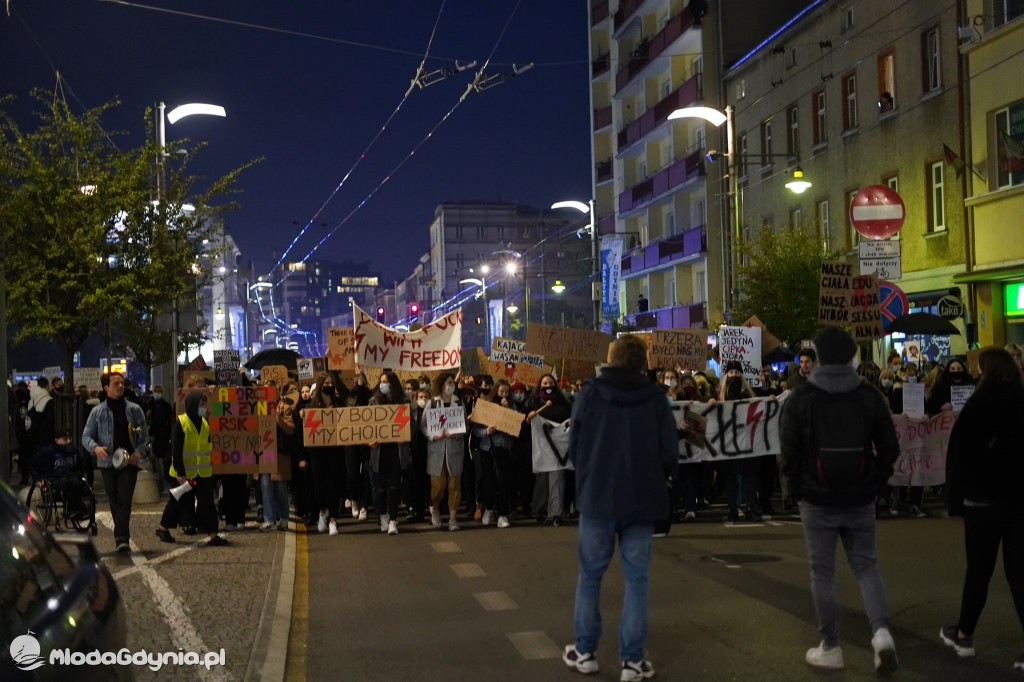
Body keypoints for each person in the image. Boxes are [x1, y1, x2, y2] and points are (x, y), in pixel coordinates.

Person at [780, 326, 899, 674]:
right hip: (860, 495)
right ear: (851, 357)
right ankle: (880, 635)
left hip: (816, 498)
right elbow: (890, 447)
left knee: (823, 572)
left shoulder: (801, 397)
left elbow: (789, 451)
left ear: (816, 358)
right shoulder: (869, 394)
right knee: (866, 566)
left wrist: (797, 488)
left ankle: (831, 646)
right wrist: (874, 480)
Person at [562, 335, 676, 681]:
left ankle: (585, 650)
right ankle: (632, 660)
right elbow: (669, 452)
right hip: (641, 500)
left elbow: (575, 444)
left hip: (597, 497)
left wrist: (586, 477)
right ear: (643, 363)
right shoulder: (656, 399)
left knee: (590, 577)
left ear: (610, 359)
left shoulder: (590, 393)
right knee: (637, 580)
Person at [940, 347, 1024, 669]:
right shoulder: (1021, 401)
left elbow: (958, 456)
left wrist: (955, 499)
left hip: (982, 500)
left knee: (979, 570)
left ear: (986, 371)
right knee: (1019, 572)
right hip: (1019, 501)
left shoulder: (978, 405)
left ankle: (963, 635)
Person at [82, 372, 151, 553]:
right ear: (106, 388)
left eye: (122, 383)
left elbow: (144, 437)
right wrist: (95, 448)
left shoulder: (134, 410)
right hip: (107, 464)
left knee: (124, 499)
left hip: (129, 462)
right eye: (115, 384)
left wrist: (138, 451)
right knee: (113, 500)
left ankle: (122, 537)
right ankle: (120, 535)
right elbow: (86, 436)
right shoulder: (97, 412)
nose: (120, 386)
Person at [155, 389, 228, 546]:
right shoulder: (181, 423)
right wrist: (180, 472)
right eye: (201, 404)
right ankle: (163, 528)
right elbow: (176, 450)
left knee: (207, 503)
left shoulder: (205, 423)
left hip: (202, 473)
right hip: (185, 474)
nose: (204, 407)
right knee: (177, 502)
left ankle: (213, 535)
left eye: (205, 404)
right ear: (193, 405)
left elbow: (207, 447)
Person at [470, 379, 517, 528]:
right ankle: (489, 509)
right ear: (495, 391)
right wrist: (486, 431)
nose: (504, 394)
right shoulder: (486, 406)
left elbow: (516, 427)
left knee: (503, 481)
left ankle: (502, 514)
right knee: (488, 482)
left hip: (503, 448)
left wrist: (508, 410)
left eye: (506, 392)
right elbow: (476, 429)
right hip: (488, 449)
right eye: (501, 391)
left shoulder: (511, 405)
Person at [528, 374, 573, 525]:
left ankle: (556, 513)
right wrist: (529, 417)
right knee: (542, 480)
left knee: (557, 479)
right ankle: (541, 509)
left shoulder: (565, 403)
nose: (548, 385)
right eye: (545, 383)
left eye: (550, 382)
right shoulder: (533, 402)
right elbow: (524, 419)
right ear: (540, 385)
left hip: (558, 447)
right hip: (542, 446)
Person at [424, 373, 467, 531]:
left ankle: (452, 518)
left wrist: (455, 434)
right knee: (438, 486)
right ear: (442, 384)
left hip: (455, 451)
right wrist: (433, 436)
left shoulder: (459, 403)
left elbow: (465, 426)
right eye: (449, 382)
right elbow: (424, 425)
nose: (452, 385)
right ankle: (435, 508)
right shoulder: (433, 403)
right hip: (437, 452)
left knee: (454, 485)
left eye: (453, 383)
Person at [368, 372, 409, 535]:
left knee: (394, 486)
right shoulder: (374, 402)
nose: (383, 384)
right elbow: (367, 425)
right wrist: (369, 441)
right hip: (379, 451)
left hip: (396, 451)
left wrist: (404, 437)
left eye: (386, 381)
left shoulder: (403, 402)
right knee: (379, 487)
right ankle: (382, 514)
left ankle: (393, 518)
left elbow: (411, 425)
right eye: (381, 382)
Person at [307, 373, 347, 535]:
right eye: (327, 382)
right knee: (319, 484)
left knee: (333, 483)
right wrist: (304, 415)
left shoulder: (339, 403)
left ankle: (333, 520)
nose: (329, 385)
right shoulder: (313, 405)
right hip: (318, 451)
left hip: (335, 450)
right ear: (321, 385)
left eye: (331, 382)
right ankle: (322, 512)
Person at [148, 384, 174, 485]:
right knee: (154, 456)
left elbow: (170, 420)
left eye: (159, 392)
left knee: (162, 456)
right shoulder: (150, 404)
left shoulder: (166, 406)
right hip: (153, 433)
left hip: (163, 433)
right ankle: (158, 477)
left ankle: (163, 477)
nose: (157, 394)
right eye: (155, 392)